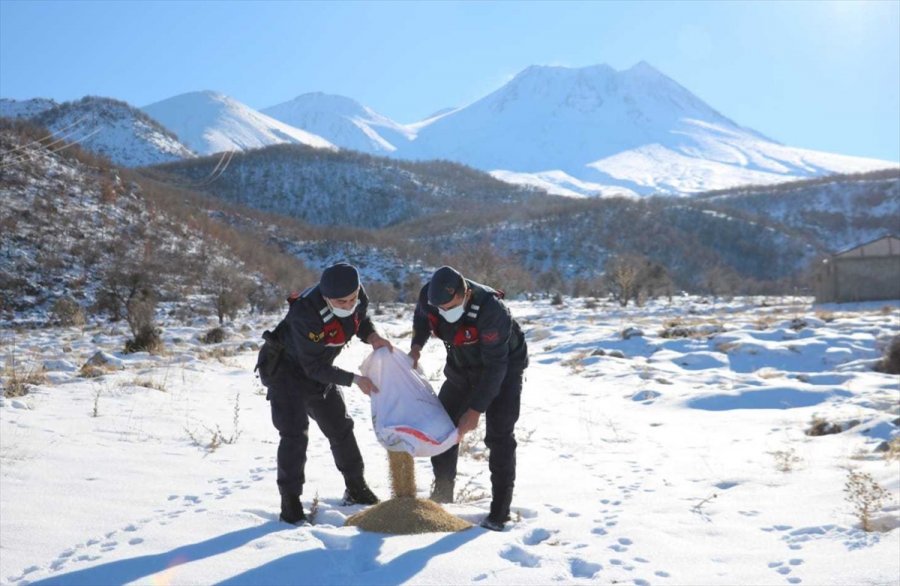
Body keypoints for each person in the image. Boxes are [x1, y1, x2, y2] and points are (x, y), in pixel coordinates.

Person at [256, 262, 393, 525]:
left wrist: (373, 336)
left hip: (320, 370)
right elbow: (313, 367)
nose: (349, 303)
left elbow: (359, 320)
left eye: (353, 297)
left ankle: (356, 487)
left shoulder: (357, 296)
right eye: (341, 301)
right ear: (326, 296)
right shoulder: (305, 314)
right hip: (287, 371)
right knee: (295, 435)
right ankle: (291, 503)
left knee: (340, 428)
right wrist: (354, 379)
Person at [409, 266, 528, 531]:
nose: (443, 312)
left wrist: (475, 410)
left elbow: (496, 367)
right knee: (442, 426)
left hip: (504, 370)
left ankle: (499, 512)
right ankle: (442, 496)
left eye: (449, 306)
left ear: (465, 294)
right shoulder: (429, 298)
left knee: (499, 437)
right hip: (462, 366)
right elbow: (422, 319)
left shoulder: (491, 311)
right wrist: (416, 346)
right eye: (439, 307)